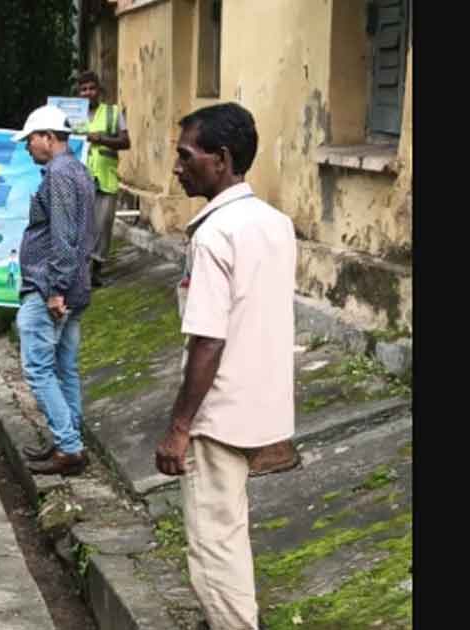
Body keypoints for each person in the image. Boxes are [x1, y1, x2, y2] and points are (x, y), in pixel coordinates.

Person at [154, 102, 296, 630]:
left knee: (215, 550)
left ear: (221, 159)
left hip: (219, 412)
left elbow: (208, 339)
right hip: (263, 404)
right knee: (232, 535)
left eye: (186, 156)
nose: (177, 167)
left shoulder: (214, 235)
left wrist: (179, 427)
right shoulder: (276, 224)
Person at [9, 105, 95, 477]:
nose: (28, 148)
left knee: (38, 368)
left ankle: (69, 446)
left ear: (47, 137)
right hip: (74, 284)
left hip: (50, 287)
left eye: (30, 140)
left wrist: (55, 289)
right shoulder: (78, 170)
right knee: (64, 367)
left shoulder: (59, 174)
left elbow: (63, 236)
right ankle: (67, 436)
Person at [77, 70, 130, 287]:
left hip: (105, 178)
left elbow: (126, 142)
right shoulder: (71, 115)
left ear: (99, 90)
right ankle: (80, 272)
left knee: (102, 225)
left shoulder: (113, 113)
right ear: (79, 93)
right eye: (83, 89)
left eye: (92, 88)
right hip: (79, 178)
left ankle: (96, 270)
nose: (88, 93)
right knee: (80, 226)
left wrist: (101, 139)